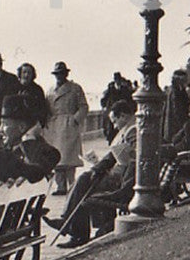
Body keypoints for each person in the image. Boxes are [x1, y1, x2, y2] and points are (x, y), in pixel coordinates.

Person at [49, 101, 136, 248]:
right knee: (83, 180)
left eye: (115, 121)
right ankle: (71, 227)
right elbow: (115, 155)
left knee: (83, 182)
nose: (114, 126)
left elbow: (132, 157)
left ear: (123, 116)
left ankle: (75, 230)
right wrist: (98, 166)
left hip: (123, 180)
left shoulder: (133, 130)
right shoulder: (132, 127)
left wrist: (100, 168)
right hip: (120, 175)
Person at [44, 61, 89, 195]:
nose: (59, 76)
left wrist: (75, 119)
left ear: (66, 74)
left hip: (69, 125)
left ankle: (71, 184)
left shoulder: (75, 88)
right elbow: (47, 108)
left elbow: (83, 106)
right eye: (57, 74)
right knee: (57, 158)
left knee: (69, 157)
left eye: (62, 73)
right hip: (54, 126)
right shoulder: (50, 90)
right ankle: (60, 186)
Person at [15, 63, 52, 131]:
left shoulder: (37, 89)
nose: (26, 75)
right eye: (24, 72)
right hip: (15, 123)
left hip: (31, 124)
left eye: (29, 73)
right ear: (20, 74)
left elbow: (42, 109)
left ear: (33, 75)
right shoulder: (14, 87)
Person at [163, 69, 190, 145]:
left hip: (170, 124)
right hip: (176, 125)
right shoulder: (176, 92)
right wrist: (185, 124)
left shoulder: (172, 90)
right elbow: (178, 110)